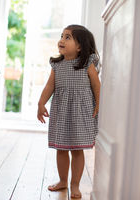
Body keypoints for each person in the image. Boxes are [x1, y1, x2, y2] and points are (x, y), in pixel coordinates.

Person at [37, 24, 101, 199]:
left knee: (77, 150)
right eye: (61, 36)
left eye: (67, 37)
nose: (61, 40)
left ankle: (75, 185)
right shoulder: (57, 65)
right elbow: (50, 85)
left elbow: (96, 85)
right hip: (62, 112)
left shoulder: (87, 63)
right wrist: (41, 103)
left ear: (79, 46)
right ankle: (63, 181)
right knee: (61, 149)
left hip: (81, 113)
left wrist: (99, 104)